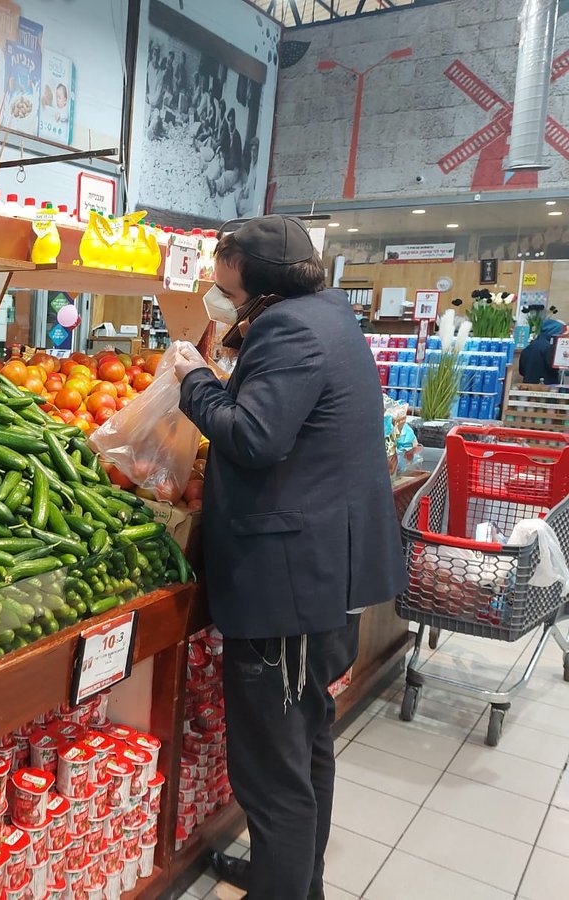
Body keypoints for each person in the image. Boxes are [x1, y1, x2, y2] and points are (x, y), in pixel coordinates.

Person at [174, 215, 406, 900]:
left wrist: (195, 380)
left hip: (290, 588)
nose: (218, 287)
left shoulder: (289, 329)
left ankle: (285, 886)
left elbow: (253, 437)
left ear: (255, 277)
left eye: (224, 274)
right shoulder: (329, 314)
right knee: (306, 745)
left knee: (273, 769)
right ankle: (296, 880)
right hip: (326, 576)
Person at [519, 318, 564, 385]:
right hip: (546, 387)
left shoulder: (529, 347)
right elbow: (554, 368)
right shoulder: (550, 348)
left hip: (527, 386)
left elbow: (521, 371)